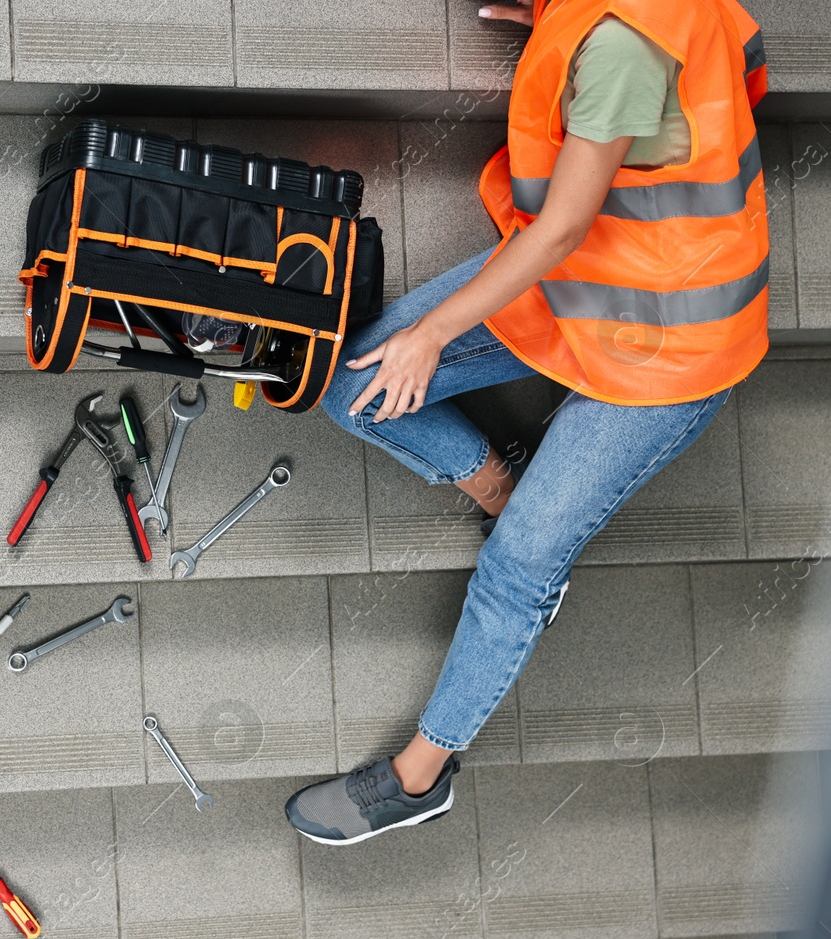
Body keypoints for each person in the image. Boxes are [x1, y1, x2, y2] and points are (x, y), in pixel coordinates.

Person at [285, 0, 771, 845]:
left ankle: (417, 780)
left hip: (670, 350)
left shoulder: (621, 45)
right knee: (349, 379)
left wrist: (433, 335)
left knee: (517, 571)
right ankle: (499, 487)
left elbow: (560, 228)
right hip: (600, 279)